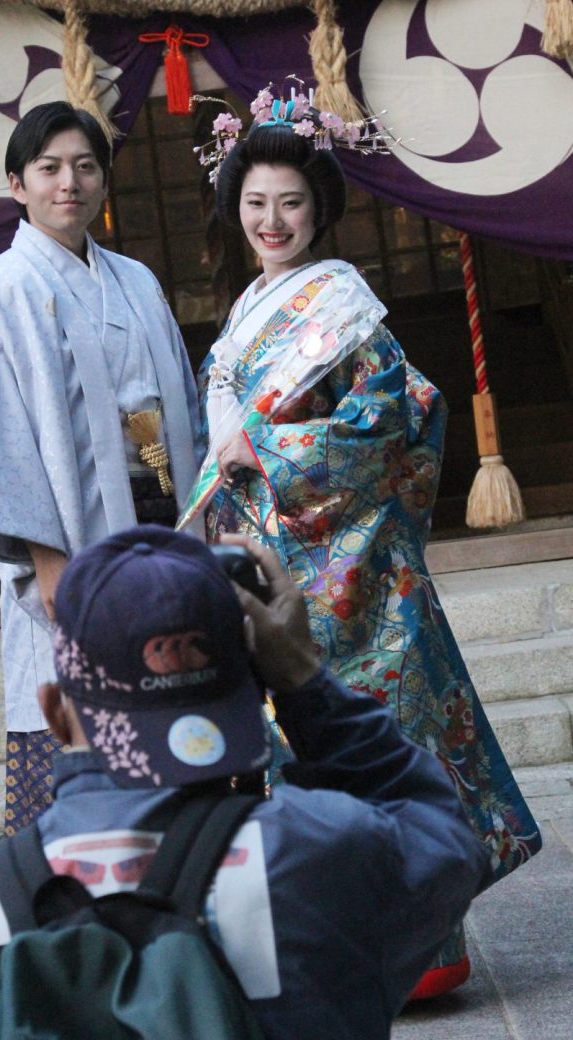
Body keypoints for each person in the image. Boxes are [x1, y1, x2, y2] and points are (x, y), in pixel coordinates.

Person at [187, 90, 542, 997]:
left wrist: (266, 450)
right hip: (274, 560)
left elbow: (391, 418)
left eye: (291, 202)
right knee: (297, 765)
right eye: (256, 202)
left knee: (377, 742)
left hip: (351, 573)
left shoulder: (342, 308)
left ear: (321, 209)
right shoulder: (248, 310)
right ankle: (331, 948)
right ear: (234, 207)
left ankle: (424, 952)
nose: (272, 221)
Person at [0, 525, 491, 1040]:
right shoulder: (319, 851)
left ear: (54, 710)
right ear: (253, 687)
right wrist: (304, 680)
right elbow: (445, 840)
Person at [0, 101, 204, 833]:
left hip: (163, 522)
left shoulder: (137, 280)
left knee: (177, 707)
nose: (70, 182)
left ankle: (187, 861)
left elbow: (183, 405)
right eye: (50, 168)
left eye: (86, 167)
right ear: (17, 185)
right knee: (85, 725)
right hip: (70, 541)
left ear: (103, 181)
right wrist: (47, 561)